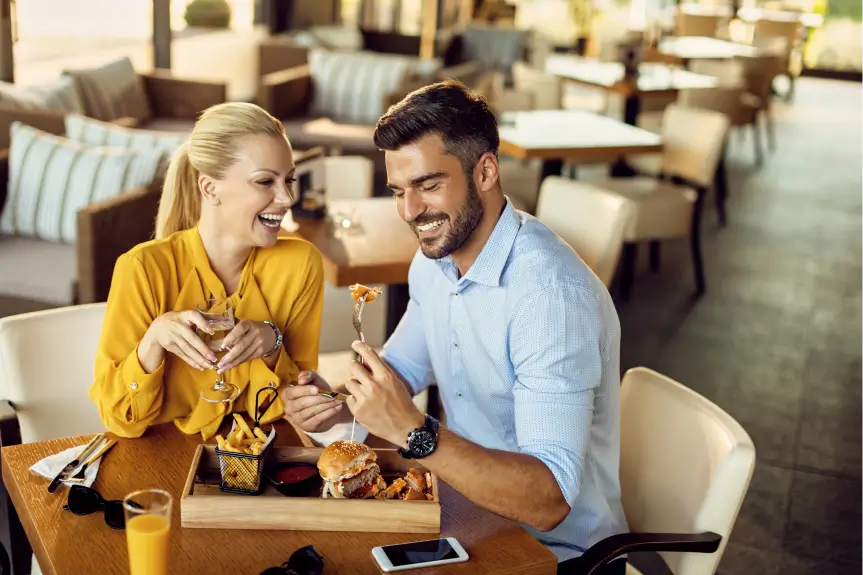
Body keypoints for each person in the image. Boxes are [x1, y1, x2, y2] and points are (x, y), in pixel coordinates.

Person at [282, 81, 629, 573]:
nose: (409, 211)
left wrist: (413, 430)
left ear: (485, 170)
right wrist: (337, 402)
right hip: (466, 516)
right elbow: (401, 369)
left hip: (557, 556)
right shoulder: (435, 264)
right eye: (399, 191)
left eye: (428, 185)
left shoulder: (550, 298)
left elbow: (550, 501)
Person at [90, 102, 324, 440]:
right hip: (159, 455)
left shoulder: (301, 264)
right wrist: (153, 341)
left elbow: (294, 398)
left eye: (289, 180)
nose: (286, 197)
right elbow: (120, 419)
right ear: (209, 188)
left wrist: (272, 343)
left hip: (257, 454)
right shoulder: (143, 268)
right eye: (264, 181)